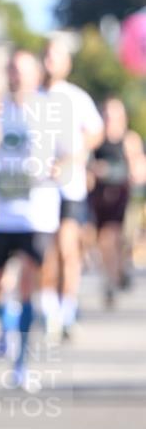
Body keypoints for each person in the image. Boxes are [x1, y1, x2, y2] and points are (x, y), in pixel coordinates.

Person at [0, 50, 65, 389]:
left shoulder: (51, 109)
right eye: (12, 70)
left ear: (36, 75)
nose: (16, 76)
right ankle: (6, 325)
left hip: (36, 213)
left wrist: (61, 167)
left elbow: (71, 152)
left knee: (27, 287)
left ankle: (21, 363)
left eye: (22, 70)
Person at [40, 37, 104, 339]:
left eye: (56, 56)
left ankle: (67, 310)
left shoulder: (77, 98)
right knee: (45, 252)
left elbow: (95, 133)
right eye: (46, 55)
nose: (49, 61)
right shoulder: (31, 96)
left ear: (67, 63)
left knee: (67, 247)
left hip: (68, 186)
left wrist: (72, 159)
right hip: (38, 188)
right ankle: (49, 309)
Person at [88, 97, 145, 307]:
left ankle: (115, 276)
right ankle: (113, 277)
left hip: (122, 197)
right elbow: (86, 164)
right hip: (99, 197)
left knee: (115, 238)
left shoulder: (129, 140)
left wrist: (119, 172)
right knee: (102, 240)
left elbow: (138, 167)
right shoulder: (96, 139)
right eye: (107, 115)